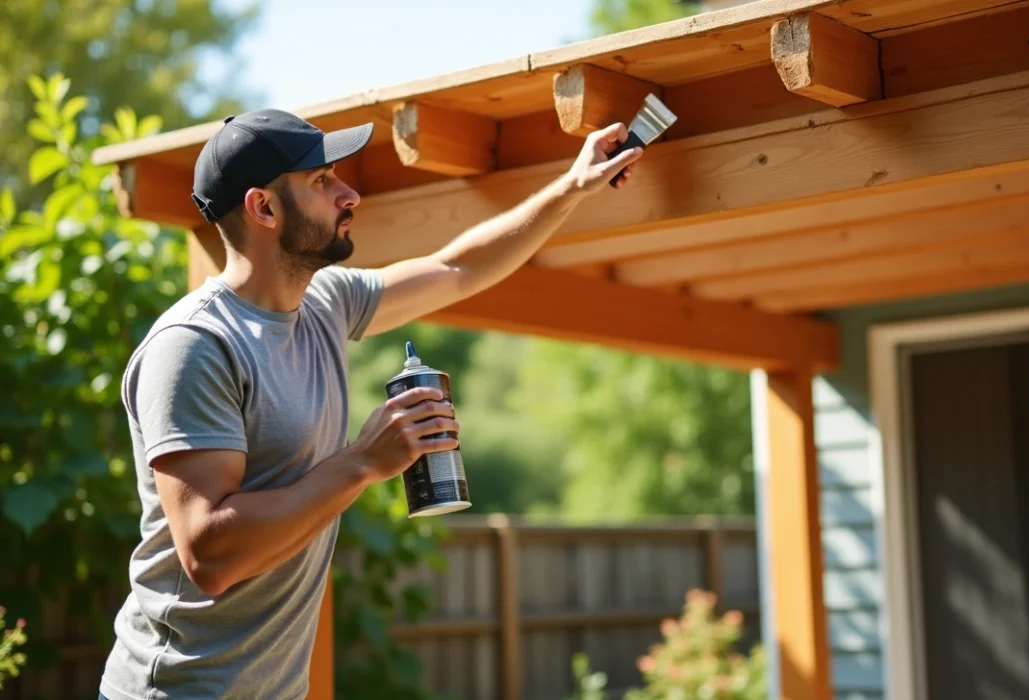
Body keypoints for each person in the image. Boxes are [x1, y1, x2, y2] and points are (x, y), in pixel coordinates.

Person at [97, 108, 644, 700]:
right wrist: (363, 462)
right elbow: (210, 554)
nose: (349, 193)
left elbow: (455, 267)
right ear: (264, 208)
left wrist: (573, 184)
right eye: (322, 181)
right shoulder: (195, 347)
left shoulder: (325, 303)